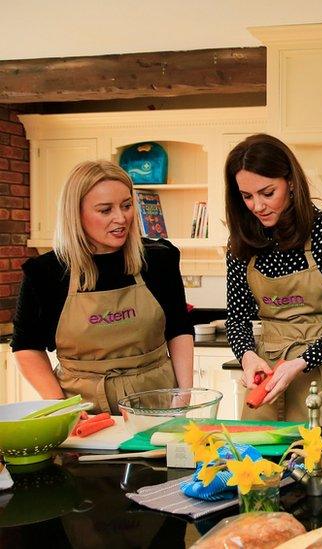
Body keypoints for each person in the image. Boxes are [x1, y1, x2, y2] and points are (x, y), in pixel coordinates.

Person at [12, 160, 193, 414]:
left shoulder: (159, 259)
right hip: (80, 409)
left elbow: (179, 327)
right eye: (105, 210)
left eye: (127, 206)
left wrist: (183, 395)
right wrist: (62, 408)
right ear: (76, 213)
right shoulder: (45, 273)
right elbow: (27, 347)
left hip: (157, 402)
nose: (121, 218)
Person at [224, 133, 322, 426]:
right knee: (258, 468)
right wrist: (248, 356)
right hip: (266, 381)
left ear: (290, 182)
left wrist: (301, 363)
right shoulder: (242, 241)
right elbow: (237, 319)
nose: (257, 206)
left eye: (267, 192)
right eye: (246, 197)